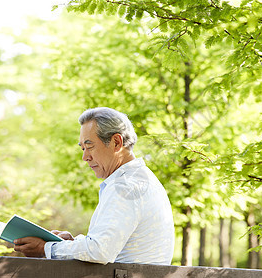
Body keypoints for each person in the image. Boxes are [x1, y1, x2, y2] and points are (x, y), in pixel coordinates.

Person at [14, 107, 175, 265]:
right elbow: (107, 244)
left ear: (116, 142)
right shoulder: (140, 179)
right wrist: (71, 242)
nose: (85, 157)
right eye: (83, 148)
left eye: (89, 146)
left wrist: (46, 248)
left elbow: (100, 251)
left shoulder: (125, 186)